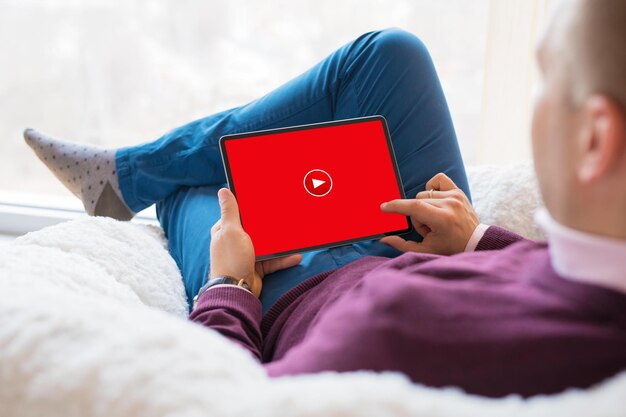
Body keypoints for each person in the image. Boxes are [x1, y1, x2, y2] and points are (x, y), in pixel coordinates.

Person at [24, 0, 625, 398]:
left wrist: (228, 286)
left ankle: (132, 179)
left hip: (292, 297)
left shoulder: (400, 328)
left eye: (548, 81)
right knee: (389, 53)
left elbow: (222, 396)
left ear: (595, 139)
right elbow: (556, 288)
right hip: (429, 247)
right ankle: (128, 176)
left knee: (192, 195)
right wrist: (477, 241)